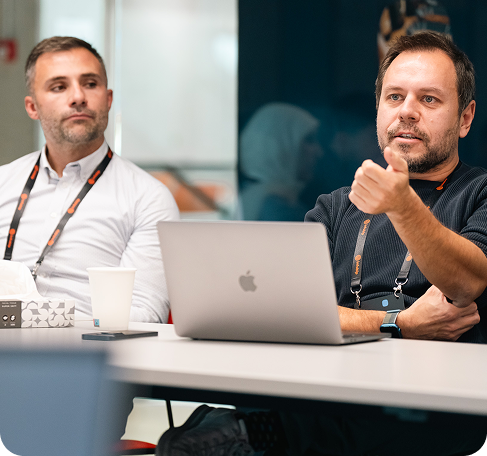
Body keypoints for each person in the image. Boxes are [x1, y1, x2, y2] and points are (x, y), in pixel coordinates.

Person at [156, 31, 487, 455]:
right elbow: (296, 313)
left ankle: (254, 433)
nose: (407, 111)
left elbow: (466, 282)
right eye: (394, 97)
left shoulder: (477, 193)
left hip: (434, 411)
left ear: (465, 117)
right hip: (333, 392)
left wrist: (403, 206)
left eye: (429, 99)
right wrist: (399, 324)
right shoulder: (335, 207)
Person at [0, 36, 179, 323]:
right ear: (32, 107)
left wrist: (49, 319)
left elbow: (145, 315)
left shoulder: (148, 198)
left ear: (108, 100)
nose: (78, 97)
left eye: (90, 84)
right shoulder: (3, 182)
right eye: (59, 87)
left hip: (88, 348)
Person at [239, 102, 322, 221]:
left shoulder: (248, 198)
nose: (318, 152)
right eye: (309, 140)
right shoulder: (280, 209)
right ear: (281, 145)